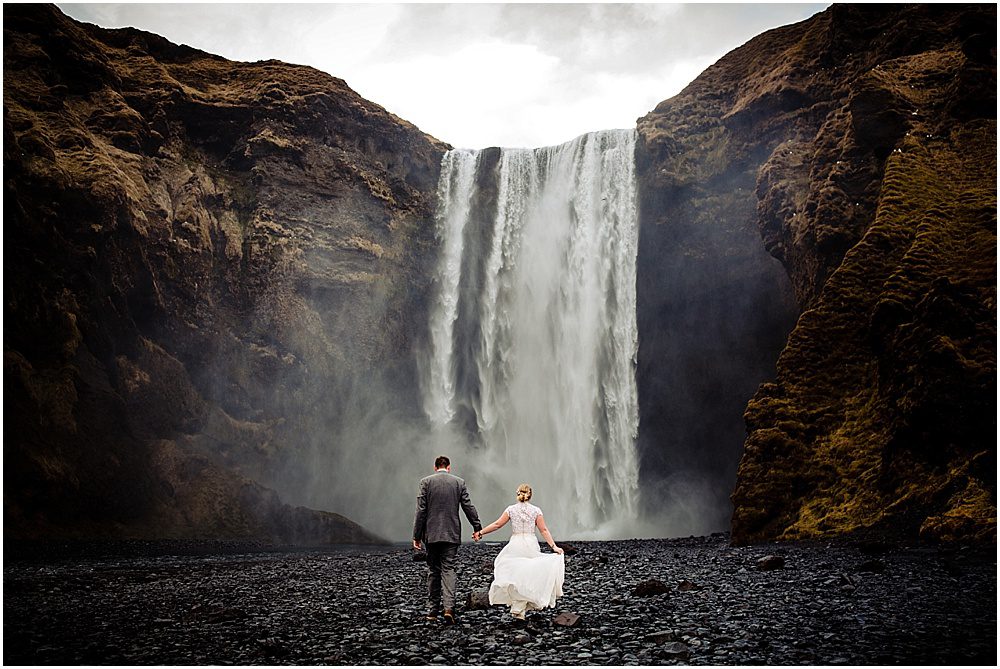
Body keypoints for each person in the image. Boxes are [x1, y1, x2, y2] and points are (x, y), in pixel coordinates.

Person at [476, 483, 565, 620]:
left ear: (517, 494)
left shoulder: (511, 510)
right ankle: (521, 607)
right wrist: (554, 547)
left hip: (516, 543)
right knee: (528, 574)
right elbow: (543, 530)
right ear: (530, 495)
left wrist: (481, 533)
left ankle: (518, 608)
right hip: (530, 543)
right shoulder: (536, 511)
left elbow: (497, 524)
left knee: (515, 574)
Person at [412, 455, 482, 624]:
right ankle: (449, 608)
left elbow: (421, 511)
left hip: (432, 534)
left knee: (433, 570)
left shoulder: (425, 482)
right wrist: (477, 526)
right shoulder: (459, 482)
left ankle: (432, 611)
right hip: (451, 533)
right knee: (448, 569)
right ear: (448, 467)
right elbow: (468, 506)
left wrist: (416, 535)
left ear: (435, 467)